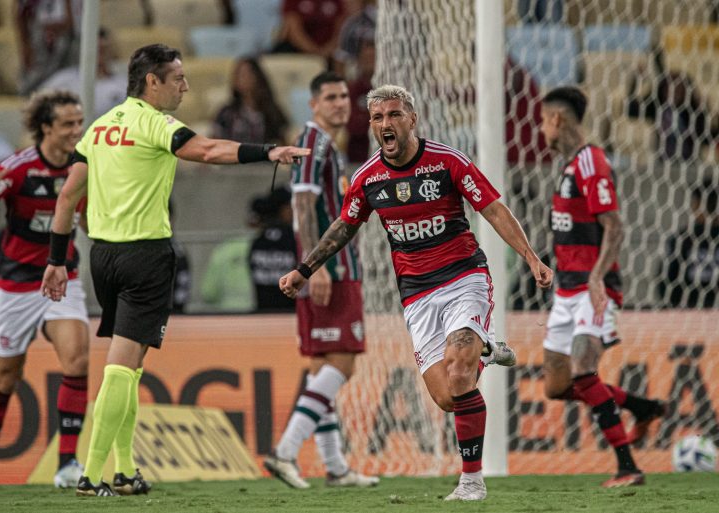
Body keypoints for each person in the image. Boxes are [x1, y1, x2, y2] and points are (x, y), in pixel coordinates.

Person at [40, 43, 309, 497]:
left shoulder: (99, 128)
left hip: (102, 256)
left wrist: (55, 259)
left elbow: (67, 198)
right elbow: (207, 151)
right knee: (120, 369)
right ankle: (91, 473)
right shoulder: (156, 124)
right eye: (178, 78)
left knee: (132, 365)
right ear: (153, 82)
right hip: (144, 256)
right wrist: (269, 152)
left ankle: (124, 470)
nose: (185, 86)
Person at [278, 84, 549, 501]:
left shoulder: (447, 162)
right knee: (446, 396)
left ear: (412, 118)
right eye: (377, 118)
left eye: (393, 115)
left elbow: (493, 207)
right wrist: (305, 268)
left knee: (460, 373)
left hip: (463, 277)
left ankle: (471, 482)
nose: (385, 124)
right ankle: (487, 349)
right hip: (417, 294)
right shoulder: (369, 177)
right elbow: (344, 226)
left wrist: (531, 257)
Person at [0, 90, 89, 492]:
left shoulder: (85, 166)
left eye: (79, 122)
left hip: (62, 279)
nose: (76, 131)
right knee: (5, 378)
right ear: (45, 127)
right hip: (16, 285)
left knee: (78, 360)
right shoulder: (19, 168)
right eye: (67, 124)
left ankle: (67, 463)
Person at [538, 86, 667, 488]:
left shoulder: (591, 162)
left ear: (556, 119)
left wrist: (595, 277)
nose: (541, 130)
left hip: (593, 289)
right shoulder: (570, 165)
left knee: (582, 370)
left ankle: (627, 466)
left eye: (543, 120)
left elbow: (614, 225)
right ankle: (644, 407)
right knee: (557, 387)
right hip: (566, 290)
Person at [264, 71, 378, 488]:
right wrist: (319, 266)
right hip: (335, 266)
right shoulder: (313, 141)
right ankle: (285, 451)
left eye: (345, 96)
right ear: (313, 104)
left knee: (321, 367)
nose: (340, 103)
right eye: (330, 97)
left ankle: (335, 467)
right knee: (343, 361)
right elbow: (302, 206)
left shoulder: (324, 143)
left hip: (331, 265)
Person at [40, 27, 128, 120]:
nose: (98, 55)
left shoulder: (124, 85)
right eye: (95, 49)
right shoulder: (63, 80)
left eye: (102, 50)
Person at [659, 181, 719, 308]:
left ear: (697, 205)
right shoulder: (685, 238)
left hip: (690, 312)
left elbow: (667, 279)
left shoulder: (684, 238)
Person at [212, 57, 289, 145]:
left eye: (246, 74)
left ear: (257, 77)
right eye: (238, 74)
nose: (241, 78)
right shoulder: (226, 113)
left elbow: (282, 143)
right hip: (232, 157)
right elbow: (215, 143)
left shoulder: (271, 111)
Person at [16, 0, 82, 94]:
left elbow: (70, 21)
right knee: (35, 84)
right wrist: (25, 46)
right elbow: (22, 14)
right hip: (43, 39)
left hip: (72, 38)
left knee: (69, 78)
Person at [249, 188, 297, 312]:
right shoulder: (292, 239)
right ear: (282, 209)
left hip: (263, 311)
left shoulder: (258, 241)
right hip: (289, 312)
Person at [272, 0, 348, 67]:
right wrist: (314, 52)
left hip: (329, 54)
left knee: (341, 56)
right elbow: (293, 30)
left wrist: (327, 50)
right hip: (299, 51)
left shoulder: (337, 1)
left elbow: (341, 29)